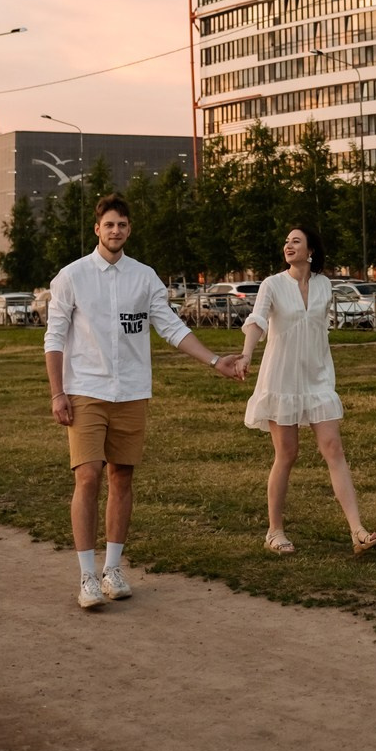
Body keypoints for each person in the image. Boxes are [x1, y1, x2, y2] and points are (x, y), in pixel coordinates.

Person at [45, 191, 241, 610]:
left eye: (122, 225)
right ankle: (86, 576)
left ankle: (112, 569)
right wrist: (57, 392)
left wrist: (215, 360)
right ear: (97, 229)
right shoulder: (72, 277)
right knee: (88, 476)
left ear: (129, 230)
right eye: (109, 224)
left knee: (122, 477)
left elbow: (170, 327)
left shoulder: (144, 277)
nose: (116, 231)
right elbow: (54, 337)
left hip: (132, 392)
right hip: (86, 392)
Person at [234, 227, 376, 558]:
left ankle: (357, 530)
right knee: (287, 454)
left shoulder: (324, 285)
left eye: (295, 241)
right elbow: (257, 320)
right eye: (286, 241)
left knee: (334, 449)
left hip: (316, 378)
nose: (288, 245)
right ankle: (274, 531)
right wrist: (246, 355)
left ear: (311, 249)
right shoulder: (272, 284)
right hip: (281, 380)